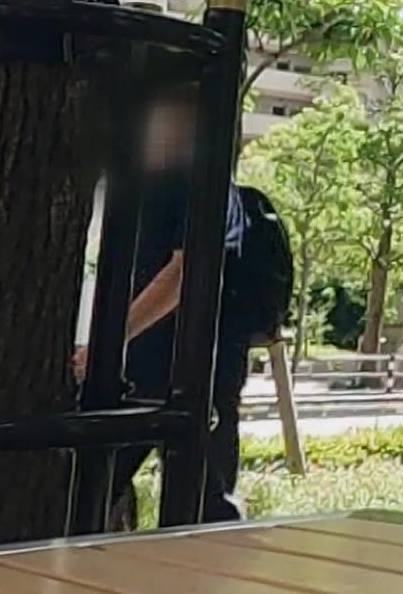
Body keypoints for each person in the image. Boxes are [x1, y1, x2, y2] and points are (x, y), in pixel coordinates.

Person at [73, 90, 253, 529]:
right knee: (105, 484)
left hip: (189, 366)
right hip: (156, 363)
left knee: (197, 501)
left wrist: (109, 342)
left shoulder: (202, 183)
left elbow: (183, 274)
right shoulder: (154, 184)